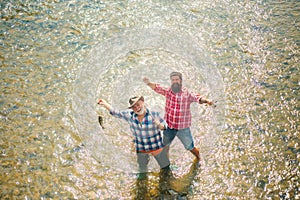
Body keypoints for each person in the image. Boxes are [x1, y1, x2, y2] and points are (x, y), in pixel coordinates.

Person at [143, 72, 214, 162]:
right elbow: (157, 88)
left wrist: (207, 101)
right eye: (173, 80)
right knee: (165, 147)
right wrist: (148, 83)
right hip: (169, 127)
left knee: (190, 147)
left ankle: (199, 159)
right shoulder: (168, 92)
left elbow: (197, 98)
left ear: (180, 81)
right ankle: (166, 165)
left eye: (177, 79)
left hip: (183, 129)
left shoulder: (187, 94)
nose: (175, 81)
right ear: (171, 81)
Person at [97, 96, 170, 178]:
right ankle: (142, 183)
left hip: (156, 147)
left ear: (142, 102)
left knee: (165, 167)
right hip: (142, 149)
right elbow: (115, 113)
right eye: (134, 107)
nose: (137, 108)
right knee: (142, 169)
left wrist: (160, 125)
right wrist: (105, 103)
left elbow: (166, 126)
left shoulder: (153, 114)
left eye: (138, 105)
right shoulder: (130, 116)